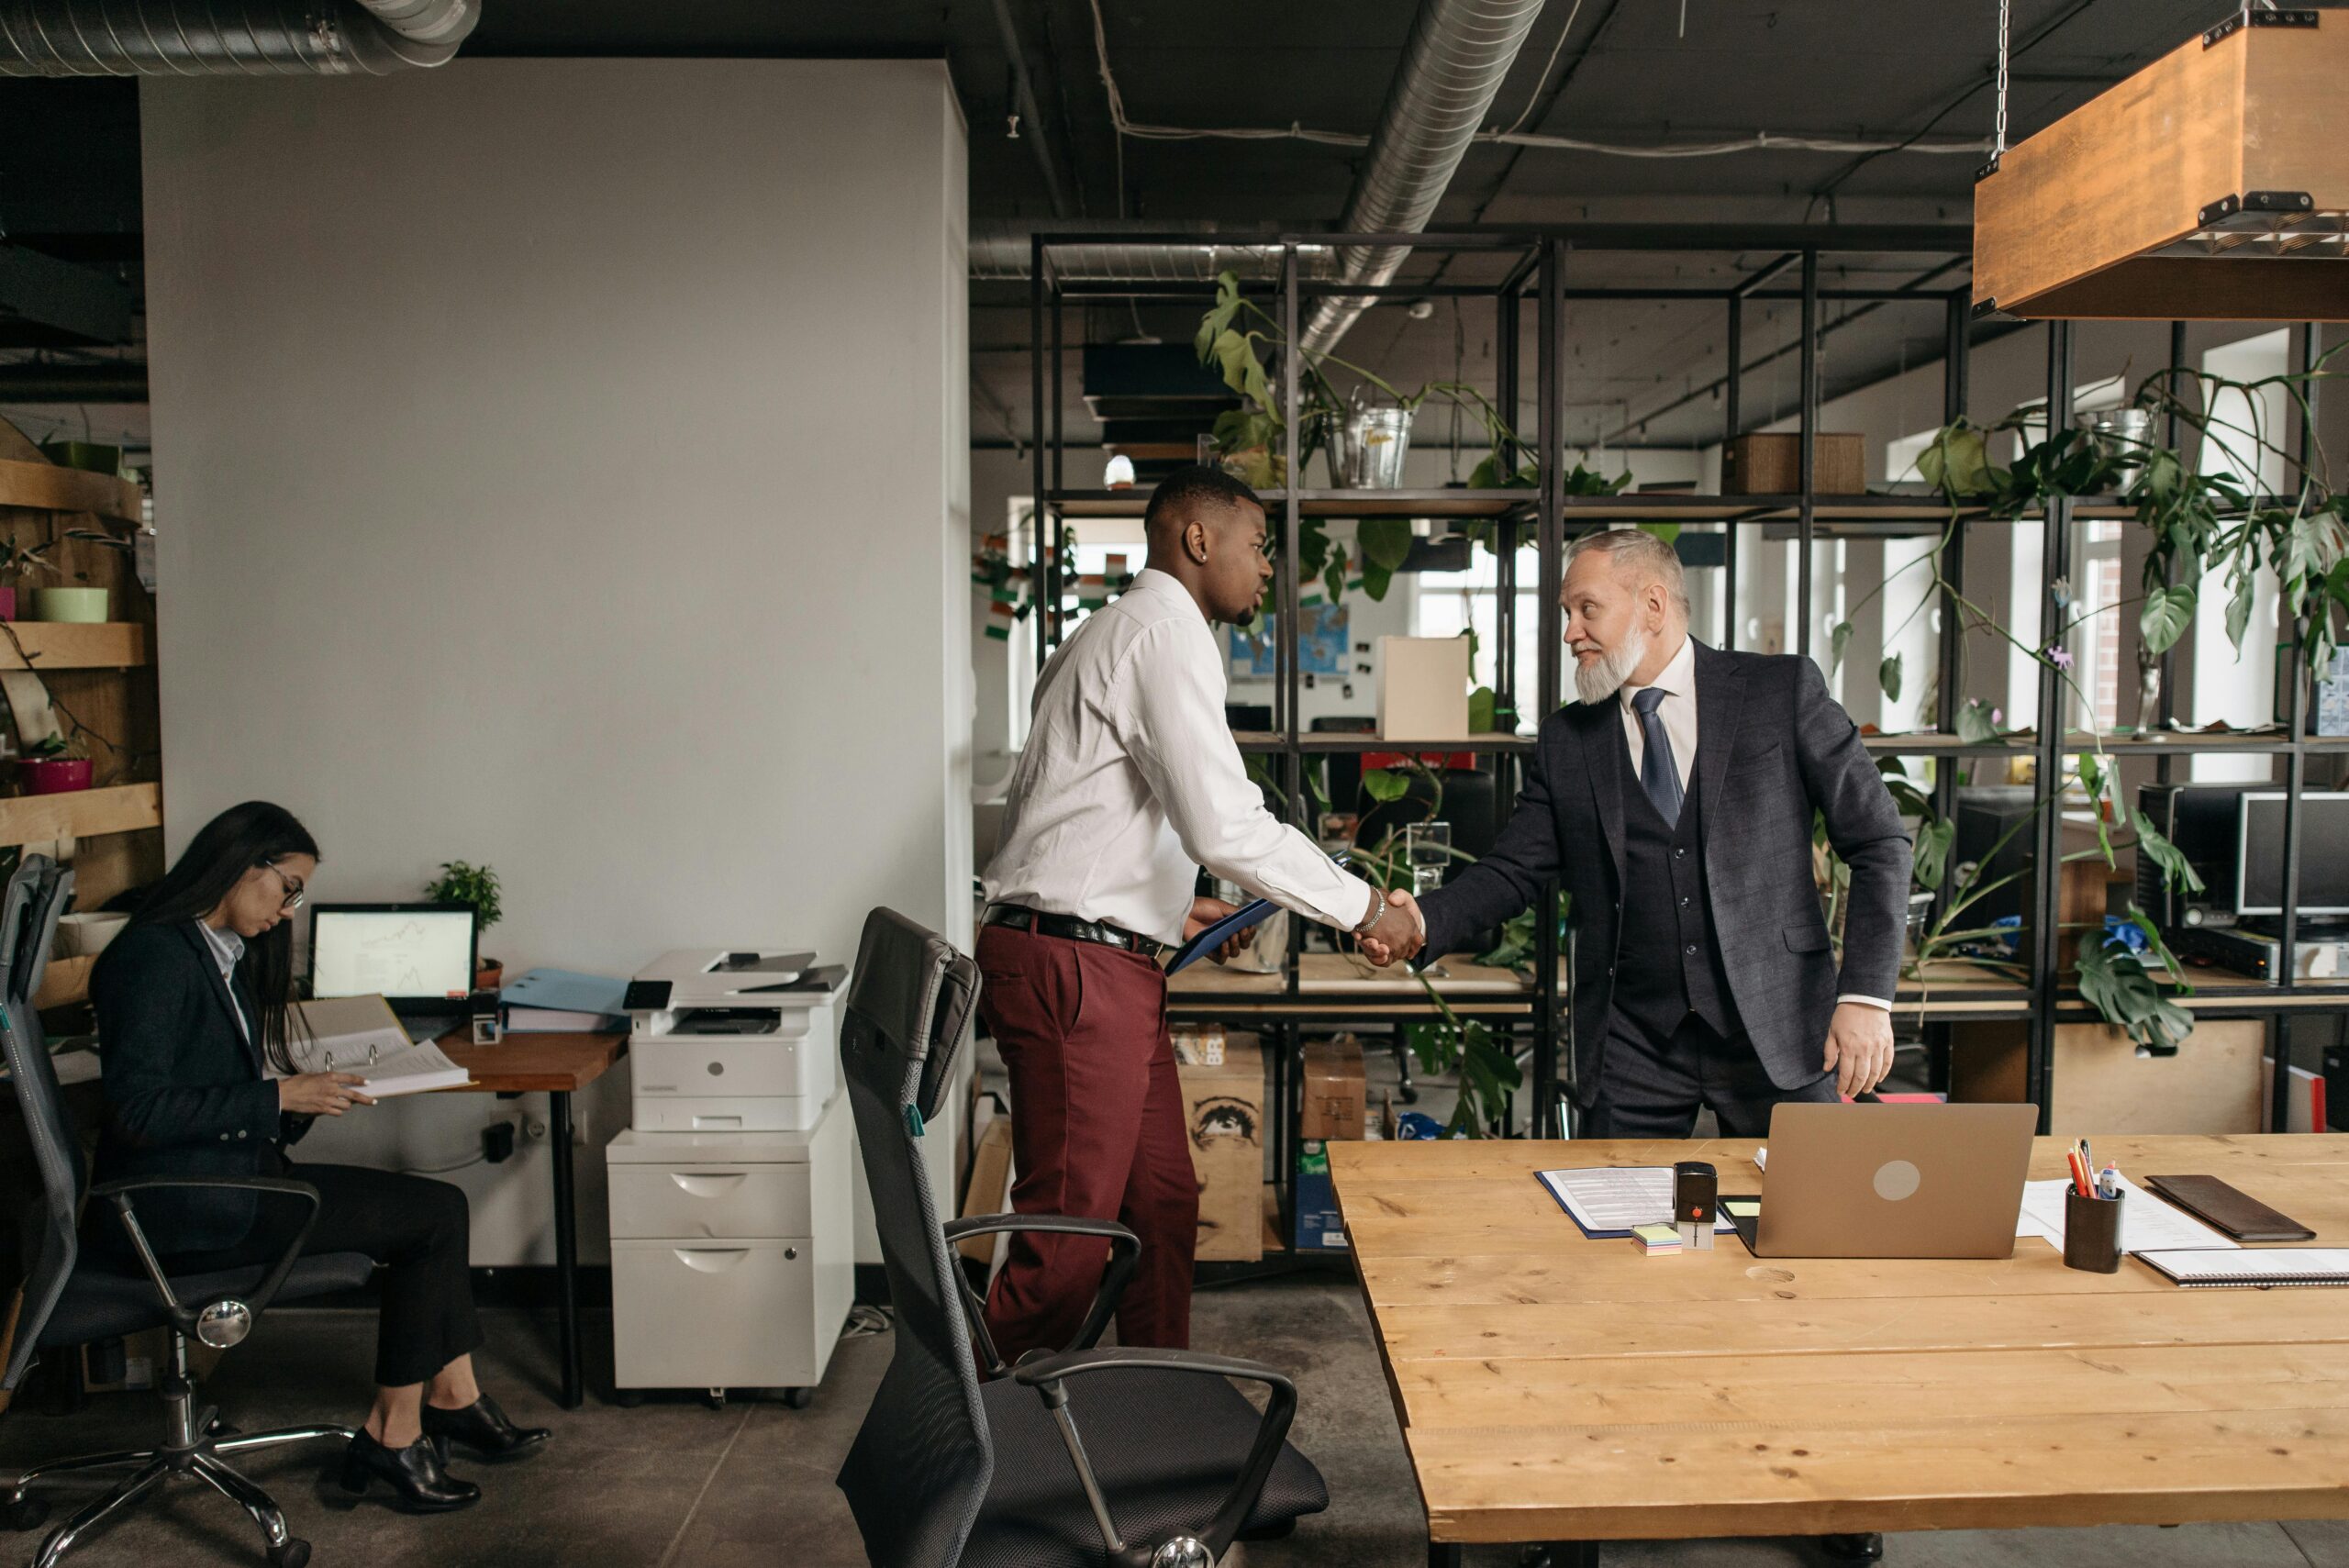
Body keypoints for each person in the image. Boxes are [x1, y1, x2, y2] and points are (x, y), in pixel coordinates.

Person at [978, 465, 1396, 1362]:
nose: (1263, 570)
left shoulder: (1115, 629)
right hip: (1077, 972)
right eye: (1255, 547)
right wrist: (1362, 905)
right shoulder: (1166, 631)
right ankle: (963, 1445)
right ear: (1197, 540)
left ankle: (1152, 1408)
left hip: (1099, 957)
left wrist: (1170, 899)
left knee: (1162, 1201)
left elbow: (1092, 810)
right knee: (1068, 1245)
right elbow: (1222, 820)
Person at [1364, 527, 1913, 1137]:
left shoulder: (1778, 691)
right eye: (1567, 613)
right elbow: (1514, 868)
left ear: (1652, 606)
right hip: (1635, 1045)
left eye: (1586, 609)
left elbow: (1879, 841)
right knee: (1614, 1225)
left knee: (1808, 1228)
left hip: (1780, 1027)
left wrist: (1864, 997)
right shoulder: (1568, 739)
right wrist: (1422, 921)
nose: (1570, 631)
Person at [90, 801, 548, 1515]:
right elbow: (136, 1109)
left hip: (230, 1179)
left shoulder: (214, 951)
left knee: (428, 1210)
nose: (289, 909)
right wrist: (276, 1097)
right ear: (245, 864)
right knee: (432, 1213)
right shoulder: (152, 957)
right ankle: (395, 1433)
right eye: (289, 887)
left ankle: (453, 1395)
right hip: (182, 1209)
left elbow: (213, 1083)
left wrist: (296, 1099)